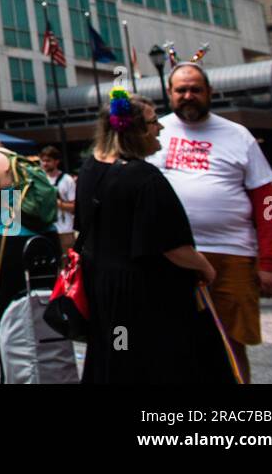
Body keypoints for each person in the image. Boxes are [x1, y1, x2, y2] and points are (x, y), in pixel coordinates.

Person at [76, 91, 225, 383]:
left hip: (101, 286)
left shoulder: (89, 169)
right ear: (136, 130)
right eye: (153, 121)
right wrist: (205, 266)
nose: (160, 127)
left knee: (114, 360)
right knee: (152, 365)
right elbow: (172, 247)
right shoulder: (144, 177)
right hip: (143, 294)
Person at [151, 63, 272, 383]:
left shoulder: (239, 135)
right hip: (173, 257)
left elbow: (267, 202)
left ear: (209, 92)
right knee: (175, 343)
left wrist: (270, 261)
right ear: (169, 94)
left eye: (195, 89)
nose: (188, 96)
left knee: (232, 341)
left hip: (233, 256)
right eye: (180, 90)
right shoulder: (154, 134)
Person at [0, 140, 60, 382]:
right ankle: (48, 367)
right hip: (46, 237)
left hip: (12, 239)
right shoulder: (19, 159)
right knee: (44, 303)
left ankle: (9, 374)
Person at [40, 146, 76, 253]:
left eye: (48, 161)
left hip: (65, 230)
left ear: (56, 162)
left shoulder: (67, 180)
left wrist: (55, 203)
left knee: (67, 262)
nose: (45, 164)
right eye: (43, 160)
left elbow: (74, 207)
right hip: (46, 229)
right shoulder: (39, 179)